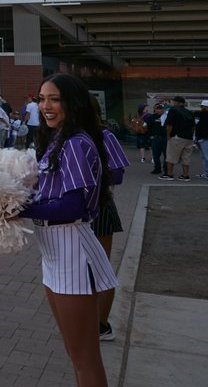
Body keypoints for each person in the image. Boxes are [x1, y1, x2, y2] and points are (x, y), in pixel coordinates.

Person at [14, 74, 117, 386]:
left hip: (72, 250)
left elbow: (74, 207)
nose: (46, 106)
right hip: (56, 252)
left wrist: (17, 208)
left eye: (54, 99)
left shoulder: (74, 142)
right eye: (42, 99)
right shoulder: (59, 138)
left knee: (85, 359)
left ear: (72, 102)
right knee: (76, 355)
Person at [93, 127, 129, 342]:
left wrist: (86, 174)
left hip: (99, 207)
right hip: (71, 213)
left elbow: (118, 173)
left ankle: (101, 325)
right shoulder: (61, 135)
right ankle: (87, 318)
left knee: (101, 268)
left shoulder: (104, 135)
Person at [161, 96, 197, 181]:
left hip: (177, 137)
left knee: (171, 157)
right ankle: (185, 176)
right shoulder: (189, 112)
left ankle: (170, 175)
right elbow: (193, 126)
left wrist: (168, 135)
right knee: (186, 158)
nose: (173, 103)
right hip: (188, 138)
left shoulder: (173, 110)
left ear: (177, 102)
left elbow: (169, 124)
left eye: (174, 102)